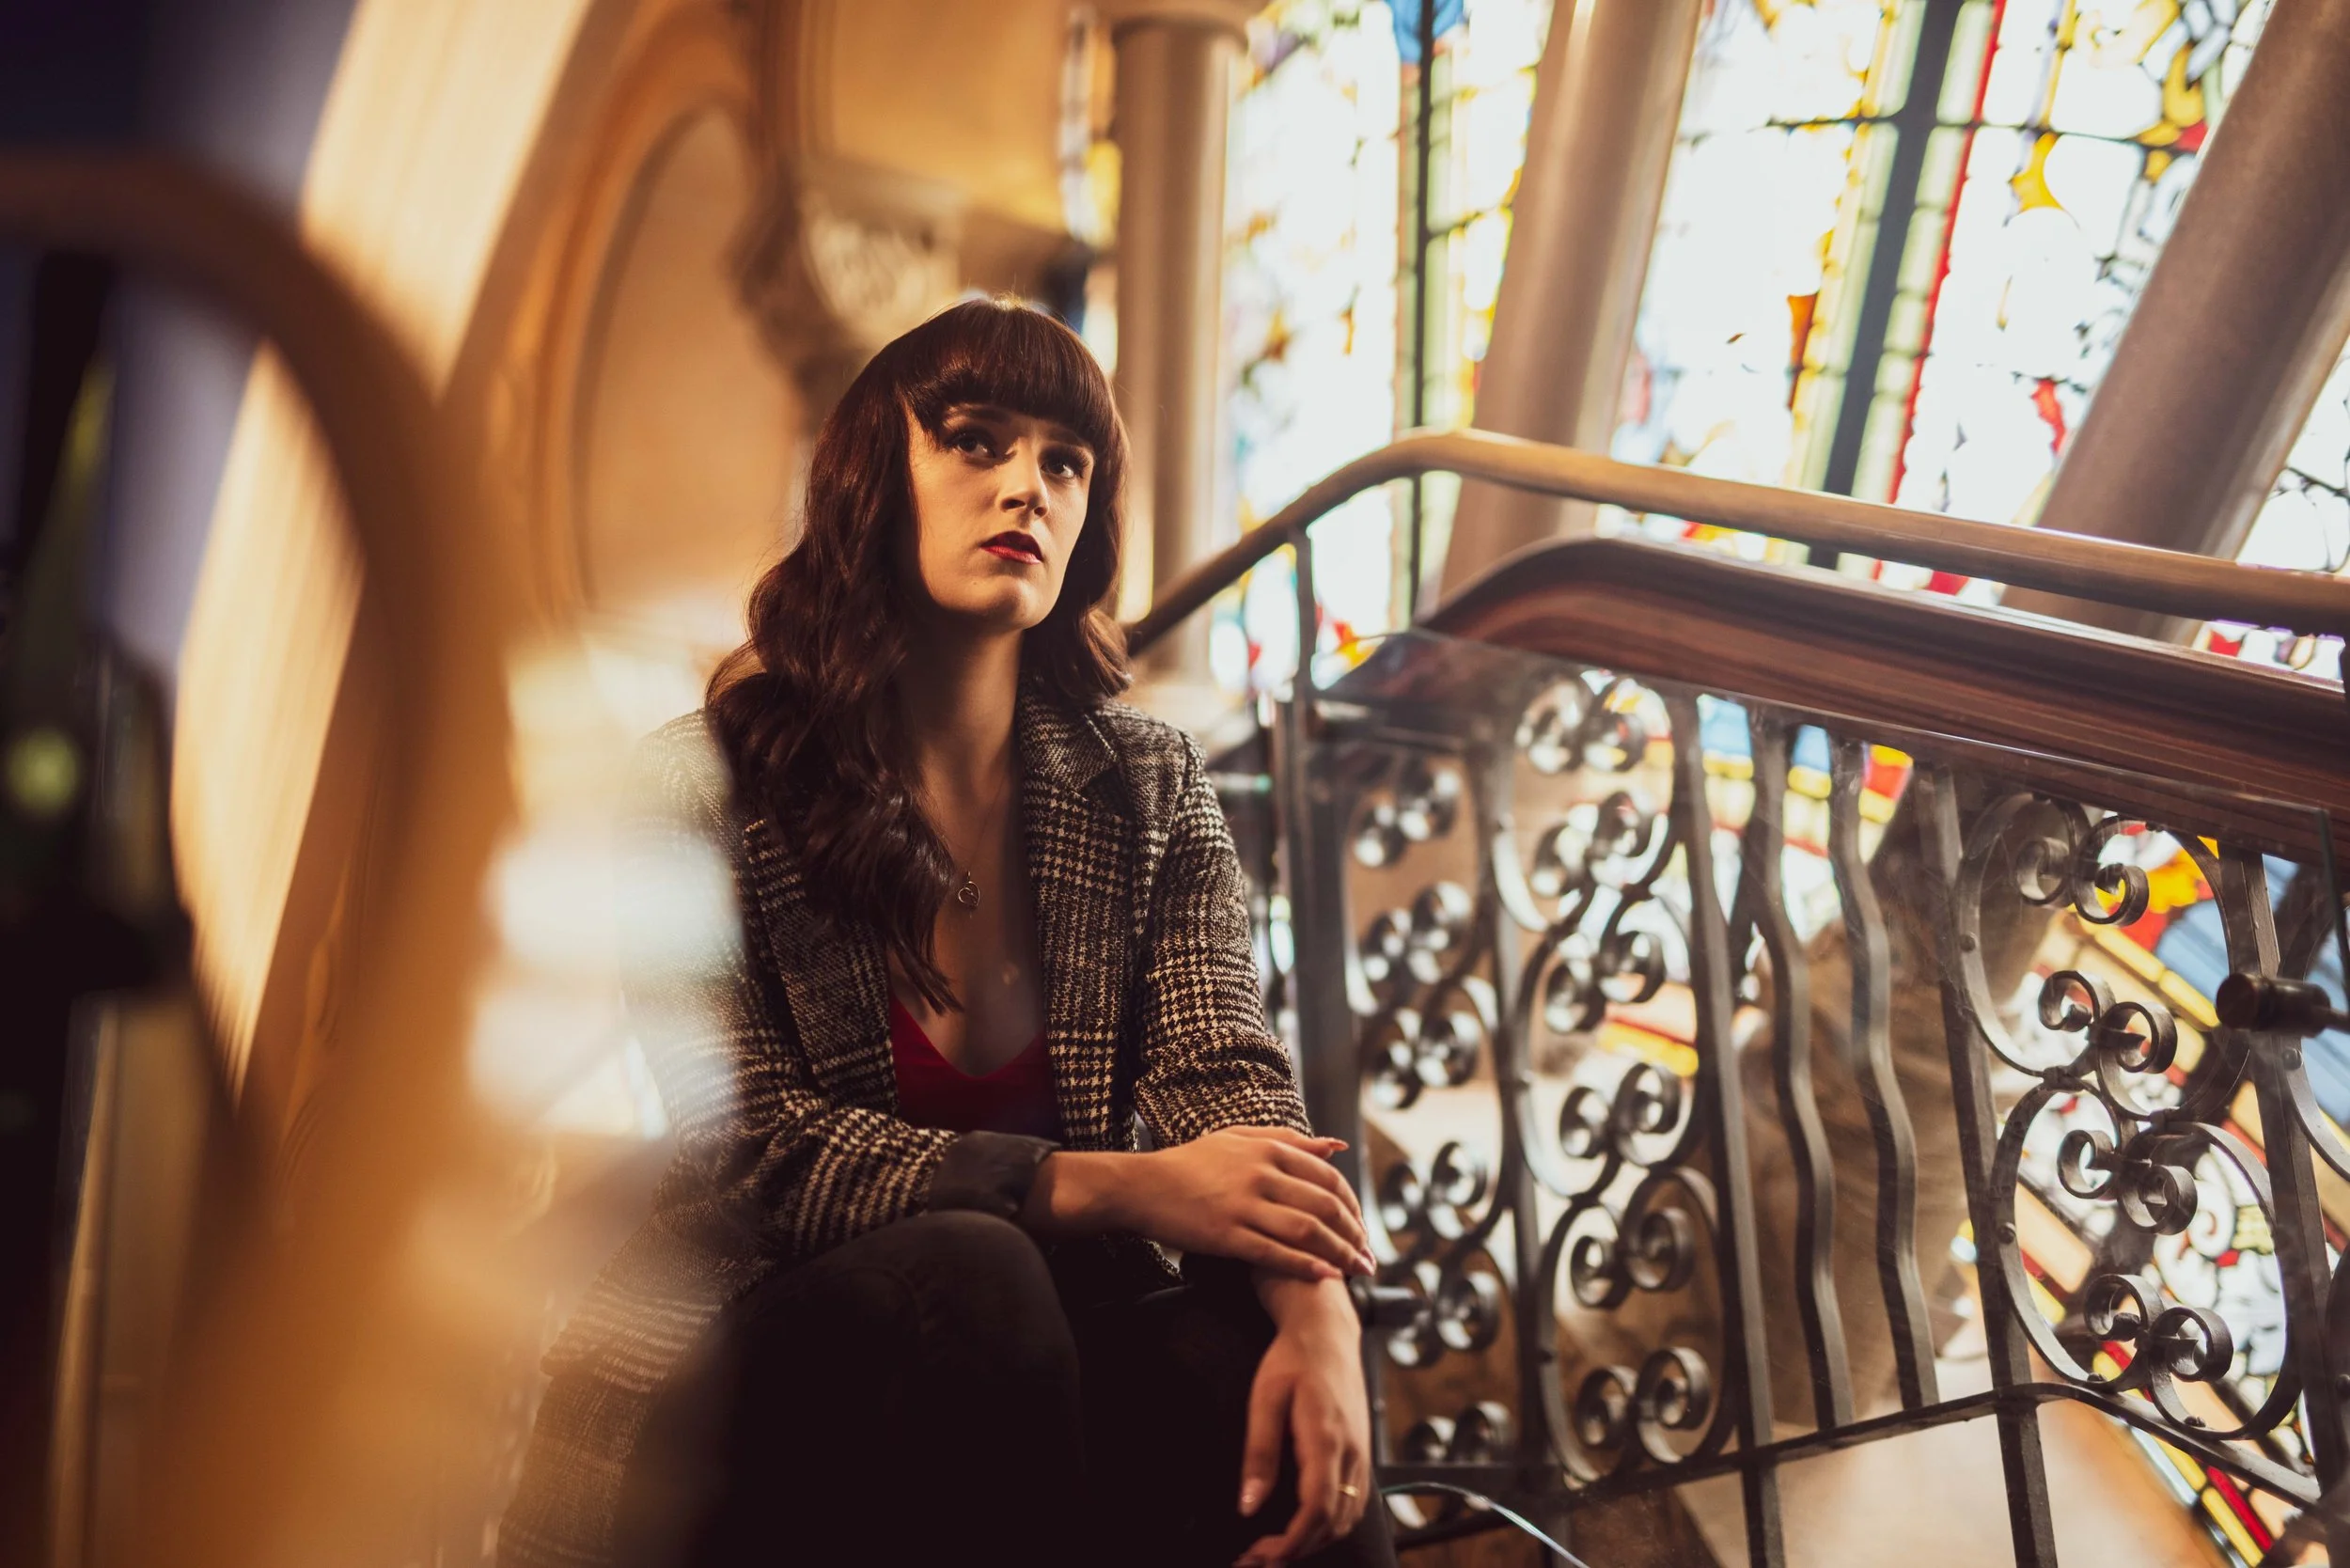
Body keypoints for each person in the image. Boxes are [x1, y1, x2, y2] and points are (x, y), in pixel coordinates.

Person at [500, 298, 1397, 1568]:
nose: (1025, 486)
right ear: (879, 476)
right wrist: (1099, 1183)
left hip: (1034, 1353)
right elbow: (750, 1149)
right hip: (758, 1359)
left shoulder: (1146, 784)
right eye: (977, 441)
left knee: (1256, 1362)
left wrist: (1321, 1318)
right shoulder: (699, 782)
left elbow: (1224, 1075)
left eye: (1063, 463)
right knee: (977, 1269)